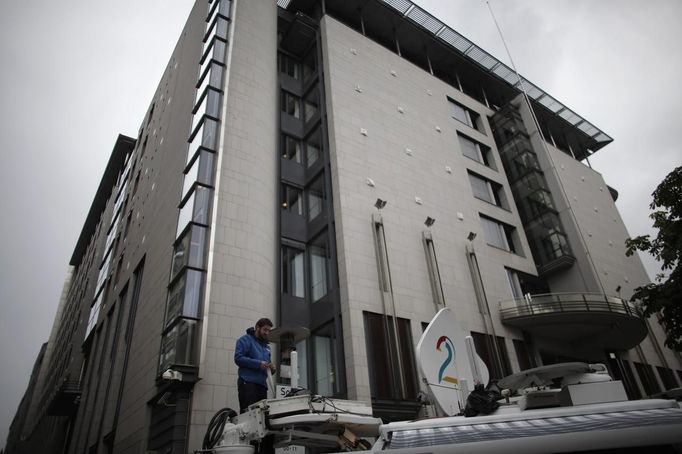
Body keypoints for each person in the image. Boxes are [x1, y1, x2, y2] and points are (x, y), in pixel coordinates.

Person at [234, 318, 276, 413]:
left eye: (269, 331)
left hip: (262, 386)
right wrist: (258, 364)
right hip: (248, 383)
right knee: (249, 414)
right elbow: (238, 358)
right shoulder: (244, 340)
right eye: (265, 329)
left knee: (262, 416)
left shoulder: (267, 347)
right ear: (257, 327)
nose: (267, 333)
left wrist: (272, 369)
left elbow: (266, 367)